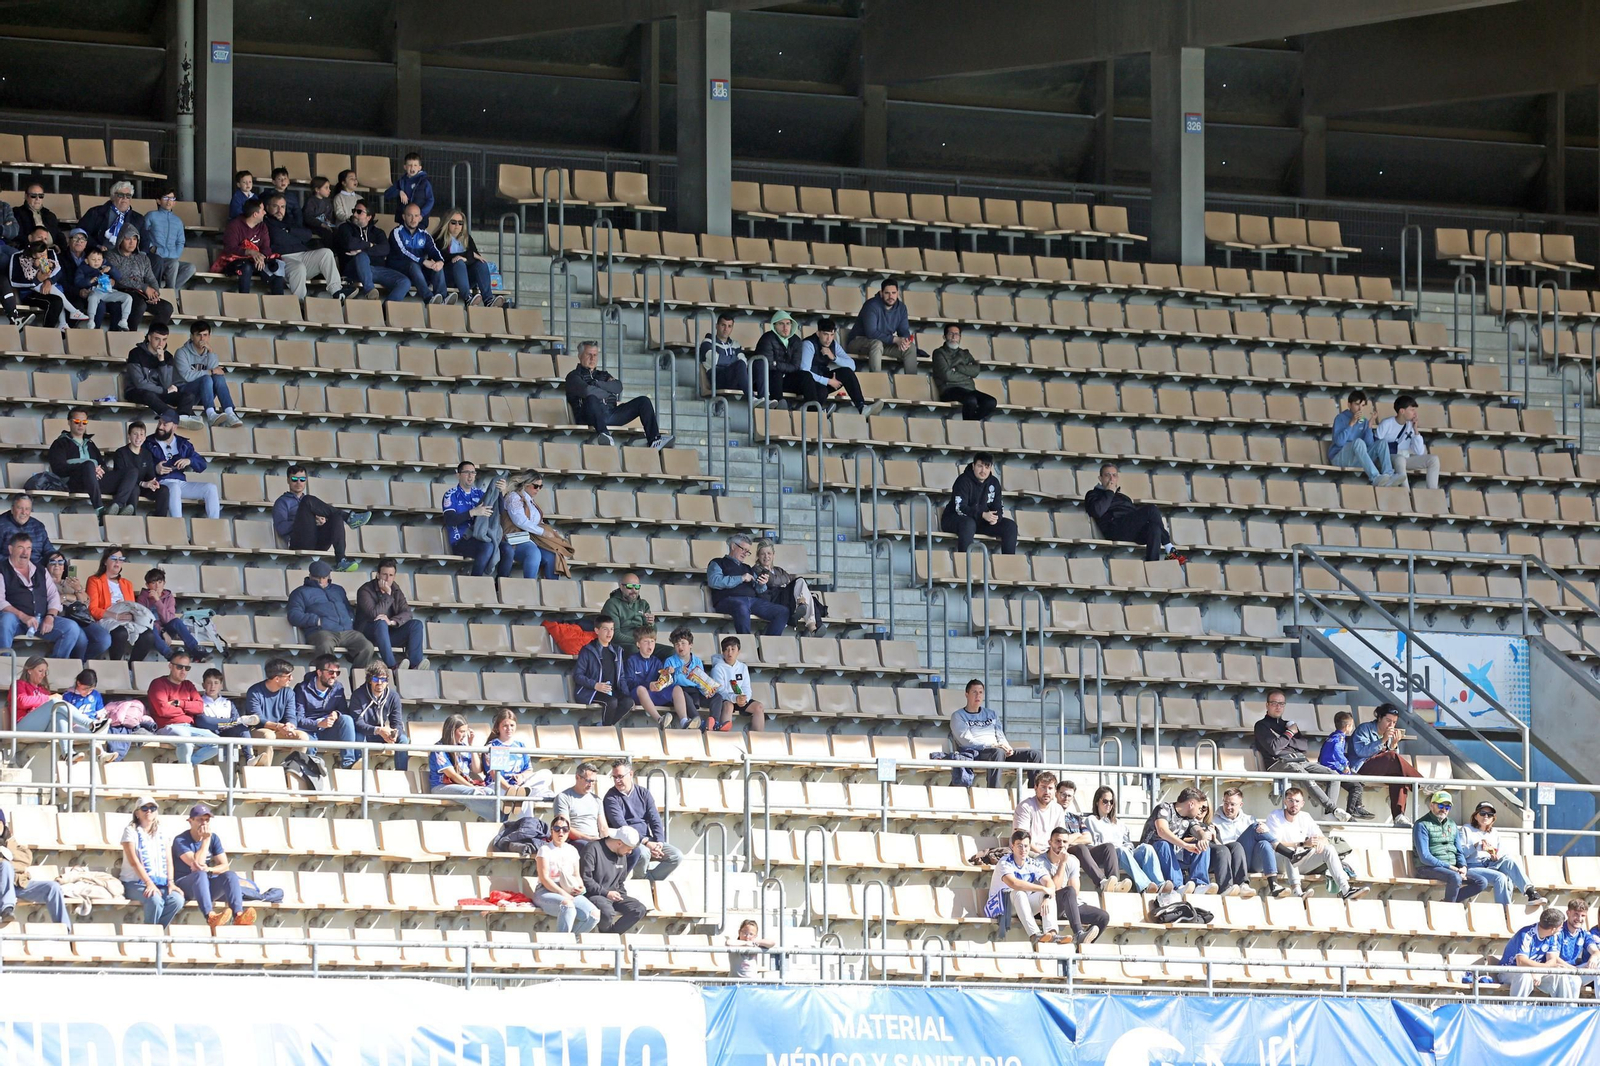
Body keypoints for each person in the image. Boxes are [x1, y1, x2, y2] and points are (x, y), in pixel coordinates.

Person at [1252, 690, 1351, 821]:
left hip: (1300, 760)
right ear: (1267, 705)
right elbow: (1274, 748)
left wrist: (1286, 738)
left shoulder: (1288, 725)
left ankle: (1328, 814)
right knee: (1303, 774)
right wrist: (1289, 734)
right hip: (1279, 762)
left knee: (1333, 775)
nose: (1278, 707)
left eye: (1281, 704)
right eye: (1274, 703)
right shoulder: (1261, 725)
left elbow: (1304, 746)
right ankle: (1334, 809)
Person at [564, 340, 672, 448]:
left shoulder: (603, 375)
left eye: (595, 355)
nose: (592, 358)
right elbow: (587, 391)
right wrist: (607, 391)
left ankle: (654, 440)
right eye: (589, 354)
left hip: (611, 413)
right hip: (588, 416)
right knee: (591, 398)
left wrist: (597, 383)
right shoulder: (573, 376)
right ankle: (604, 434)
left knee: (644, 401)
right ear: (580, 355)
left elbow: (618, 387)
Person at [1267, 787, 1366, 900]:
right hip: (1279, 862)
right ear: (1285, 801)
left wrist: (1320, 842)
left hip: (1301, 861)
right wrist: (1303, 844)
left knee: (1329, 849)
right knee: (1290, 853)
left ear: (1302, 803)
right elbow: (1275, 844)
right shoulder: (1275, 816)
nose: (1294, 804)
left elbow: (1322, 838)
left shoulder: (1305, 817)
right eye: (1290, 800)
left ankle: (1346, 890)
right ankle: (1298, 893)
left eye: (1297, 801)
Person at [0, 533, 88, 660]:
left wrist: (50, 616)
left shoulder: (41, 570)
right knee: (6, 620)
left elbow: (53, 596)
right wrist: (23, 616)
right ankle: (4, 663)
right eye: (20, 547)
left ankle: (56, 665)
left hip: (40, 619)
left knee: (71, 627)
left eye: (28, 548)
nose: (25, 552)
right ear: (10, 549)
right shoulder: (2, 569)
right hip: (16, 620)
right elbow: (1, 601)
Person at [171, 804, 256, 930]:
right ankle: (210, 916)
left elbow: (225, 866)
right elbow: (197, 865)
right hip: (185, 885)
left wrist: (210, 870)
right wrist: (205, 841)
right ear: (190, 821)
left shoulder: (214, 838)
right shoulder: (181, 840)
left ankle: (238, 915)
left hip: (205, 884)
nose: (204, 823)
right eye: (200, 819)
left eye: (207, 820)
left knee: (230, 875)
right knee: (200, 874)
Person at [272, 464, 370, 572]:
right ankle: (348, 517)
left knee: (336, 517)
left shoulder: (312, 503)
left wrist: (322, 521)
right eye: (294, 479)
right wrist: (302, 522)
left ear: (306, 480)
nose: (298, 482)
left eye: (302, 479)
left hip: (318, 541)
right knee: (307, 500)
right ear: (288, 480)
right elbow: (281, 528)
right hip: (299, 542)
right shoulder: (282, 501)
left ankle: (341, 560)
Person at [949, 679, 1042, 788]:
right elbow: (966, 741)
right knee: (997, 752)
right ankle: (994, 792)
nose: (978, 695)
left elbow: (999, 734)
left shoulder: (991, 714)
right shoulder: (958, 716)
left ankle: (1035, 793)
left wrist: (1006, 746)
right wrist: (992, 746)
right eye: (974, 692)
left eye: (980, 692)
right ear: (967, 694)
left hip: (998, 751)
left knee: (1035, 755)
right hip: (977, 752)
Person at [1083, 462, 1182, 563]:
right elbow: (1097, 512)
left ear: (1117, 478)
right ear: (1100, 478)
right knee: (1151, 509)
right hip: (1114, 528)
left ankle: (1153, 564)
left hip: (1130, 528)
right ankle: (1170, 549)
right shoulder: (1093, 494)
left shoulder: (1124, 497)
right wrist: (1109, 492)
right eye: (1107, 475)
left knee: (1155, 528)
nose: (1111, 478)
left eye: (1114, 475)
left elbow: (1133, 514)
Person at [286, 559, 378, 666]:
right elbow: (294, 615)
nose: (320, 581)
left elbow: (348, 609)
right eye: (317, 578)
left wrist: (349, 620)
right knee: (325, 644)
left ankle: (356, 675)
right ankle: (326, 673)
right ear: (310, 576)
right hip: (321, 631)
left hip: (346, 631)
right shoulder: (300, 592)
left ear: (328, 576)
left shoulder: (338, 590)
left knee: (367, 646)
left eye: (324, 578)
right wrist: (317, 621)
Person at [604, 760, 683, 880]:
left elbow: (655, 819)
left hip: (647, 840)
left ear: (631, 774)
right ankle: (641, 882)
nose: (617, 781)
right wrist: (646, 842)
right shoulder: (611, 797)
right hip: (624, 840)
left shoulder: (644, 793)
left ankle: (647, 881)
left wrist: (659, 843)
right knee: (643, 853)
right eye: (614, 777)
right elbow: (622, 826)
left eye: (620, 776)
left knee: (676, 856)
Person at [1348, 704, 1424, 827]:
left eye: (1394, 722)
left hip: (1380, 767)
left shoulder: (1388, 734)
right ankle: (1421, 783)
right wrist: (1382, 740)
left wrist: (1393, 745)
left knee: (1399, 775)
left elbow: (1392, 759)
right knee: (1392, 757)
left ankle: (1399, 816)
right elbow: (1361, 752)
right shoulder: (1364, 728)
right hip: (1361, 767)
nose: (1391, 725)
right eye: (1388, 721)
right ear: (1379, 718)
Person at [1457, 801, 1546, 906]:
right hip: (1472, 867)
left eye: (1489, 814)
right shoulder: (1466, 829)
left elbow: (1500, 853)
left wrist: (1494, 856)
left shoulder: (1494, 833)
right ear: (1476, 816)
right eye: (1482, 813)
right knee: (1501, 877)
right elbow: (1460, 853)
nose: (1486, 816)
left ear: (1493, 818)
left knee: (1508, 861)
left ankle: (1530, 892)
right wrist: (1475, 846)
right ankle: (1505, 911)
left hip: (1490, 864)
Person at [262, 192, 345, 300]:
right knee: (298, 267)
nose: (279, 210)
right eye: (275, 206)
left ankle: (336, 292)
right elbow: (277, 238)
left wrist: (288, 230)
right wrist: (294, 235)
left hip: (302, 256)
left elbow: (307, 235)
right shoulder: (265, 222)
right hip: (282, 259)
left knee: (326, 253)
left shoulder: (291, 220)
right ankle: (299, 302)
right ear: (267, 207)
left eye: (282, 207)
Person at [118, 796, 184, 928]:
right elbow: (134, 862)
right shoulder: (130, 831)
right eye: (144, 808)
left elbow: (168, 860)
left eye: (152, 808)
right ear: (137, 813)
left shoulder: (163, 832)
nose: (149, 811)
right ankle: (151, 933)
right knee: (155, 899)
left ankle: (157, 932)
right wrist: (149, 883)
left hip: (160, 883)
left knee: (177, 900)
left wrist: (171, 883)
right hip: (134, 882)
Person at [0, 807, 70, 928]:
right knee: (5, 866)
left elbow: (26, 860)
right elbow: (15, 864)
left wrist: (6, 857)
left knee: (53, 887)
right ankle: (7, 909)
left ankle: (65, 930)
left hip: (19, 884)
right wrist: (7, 862)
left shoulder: (11, 842)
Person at [148, 650, 221, 765]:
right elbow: (163, 710)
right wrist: (188, 711)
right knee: (185, 739)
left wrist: (180, 704)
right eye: (179, 667)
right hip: (168, 727)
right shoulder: (158, 684)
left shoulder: (188, 685)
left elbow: (199, 707)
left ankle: (184, 765)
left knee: (218, 743)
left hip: (189, 727)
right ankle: (186, 770)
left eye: (187, 668)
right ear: (170, 666)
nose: (183, 671)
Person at [1086, 785, 1164, 893]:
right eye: (1105, 801)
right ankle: (1145, 886)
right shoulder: (1091, 820)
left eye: (1111, 802)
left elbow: (1128, 843)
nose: (1109, 804)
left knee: (1147, 848)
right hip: (1110, 856)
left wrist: (1128, 849)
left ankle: (1160, 885)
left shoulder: (1119, 823)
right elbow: (1094, 843)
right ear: (1097, 802)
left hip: (1125, 854)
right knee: (1121, 850)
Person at [1211, 787, 1287, 898]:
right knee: (1252, 830)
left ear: (1241, 805)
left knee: (1264, 843)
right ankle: (1288, 852)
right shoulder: (1214, 820)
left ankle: (1274, 885)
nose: (1228, 807)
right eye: (1226, 803)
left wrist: (1266, 830)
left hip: (1249, 860)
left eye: (1232, 804)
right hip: (1229, 861)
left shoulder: (1249, 819)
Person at [707, 533, 789, 635]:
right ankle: (746, 641)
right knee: (741, 606)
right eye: (743, 549)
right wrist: (741, 578)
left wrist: (762, 584)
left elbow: (759, 589)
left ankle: (768, 643)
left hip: (752, 601)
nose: (745, 553)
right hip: (728, 600)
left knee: (782, 611)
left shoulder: (747, 568)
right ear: (733, 546)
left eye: (747, 551)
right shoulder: (717, 562)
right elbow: (714, 581)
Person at [124, 322, 203, 426]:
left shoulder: (168, 357)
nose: (161, 343)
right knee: (149, 394)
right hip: (136, 391)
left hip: (160, 393)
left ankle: (183, 416)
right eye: (157, 339)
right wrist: (164, 391)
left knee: (188, 396)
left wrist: (162, 362)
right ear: (149, 337)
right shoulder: (135, 353)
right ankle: (172, 416)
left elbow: (166, 384)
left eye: (164, 339)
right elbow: (140, 384)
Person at [145, 411, 220, 520]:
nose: (160, 427)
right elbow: (140, 465)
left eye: (165, 424)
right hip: (160, 483)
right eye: (159, 423)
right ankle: (178, 524)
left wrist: (190, 460)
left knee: (211, 488)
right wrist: (155, 469)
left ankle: (215, 525)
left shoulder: (183, 443)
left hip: (181, 482)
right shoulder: (148, 442)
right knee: (174, 487)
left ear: (174, 427)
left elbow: (202, 464)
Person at [442, 461, 512, 577]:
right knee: (487, 546)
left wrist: (500, 493)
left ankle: (499, 585)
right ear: (458, 475)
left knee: (508, 549)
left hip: (482, 537)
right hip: (460, 540)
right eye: (466, 472)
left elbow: (499, 512)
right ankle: (475, 581)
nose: (470, 476)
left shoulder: (480, 493)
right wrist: (473, 512)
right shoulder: (451, 494)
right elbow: (450, 520)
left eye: (473, 472)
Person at [85, 546, 155, 661]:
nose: (117, 562)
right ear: (105, 561)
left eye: (121, 559)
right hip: (106, 618)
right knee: (121, 632)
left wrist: (130, 615)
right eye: (114, 559)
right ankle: (116, 665)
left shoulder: (127, 584)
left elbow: (132, 606)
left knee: (149, 635)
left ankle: (131, 667)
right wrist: (116, 616)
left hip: (126, 619)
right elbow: (93, 609)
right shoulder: (94, 580)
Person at [533, 814, 600, 933]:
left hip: (569, 890)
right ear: (551, 831)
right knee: (567, 905)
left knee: (594, 915)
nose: (561, 832)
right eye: (557, 829)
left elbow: (576, 875)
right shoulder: (545, 850)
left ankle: (572, 940)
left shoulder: (572, 850)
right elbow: (544, 878)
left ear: (568, 832)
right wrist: (563, 893)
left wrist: (581, 887)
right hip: (546, 891)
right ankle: (563, 941)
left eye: (565, 829)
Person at [990, 829, 1058, 945]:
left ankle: (1051, 934)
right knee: (1019, 892)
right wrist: (1042, 888)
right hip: (1002, 906)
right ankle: (1034, 935)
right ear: (1012, 846)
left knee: (1047, 894)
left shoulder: (1032, 862)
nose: (1023, 849)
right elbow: (1014, 883)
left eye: (1026, 846)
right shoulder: (1004, 862)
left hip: (1022, 905)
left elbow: (1049, 882)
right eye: (1019, 846)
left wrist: (1046, 896)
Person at [1044, 826, 1110, 945]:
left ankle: (1082, 946)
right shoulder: (1040, 862)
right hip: (1050, 905)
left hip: (1069, 904)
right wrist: (1062, 863)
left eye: (1065, 842)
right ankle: (1079, 934)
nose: (1061, 845)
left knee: (1103, 917)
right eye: (1057, 841)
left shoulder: (1073, 860)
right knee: (1068, 891)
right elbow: (1052, 889)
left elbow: (1075, 891)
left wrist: (1065, 862)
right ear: (1050, 842)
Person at [294, 654, 361, 771]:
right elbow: (298, 719)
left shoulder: (338, 687)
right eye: (330, 672)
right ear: (319, 672)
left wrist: (337, 714)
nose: (334, 676)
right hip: (309, 730)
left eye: (337, 673)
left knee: (347, 719)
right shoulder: (302, 689)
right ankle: (310, 771)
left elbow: (344, 711)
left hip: (328, 730)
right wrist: (318, 724)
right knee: (309, 745)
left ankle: (348, 763)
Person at [942, 452, 1018, 556]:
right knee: (968, 524)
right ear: (973, 466)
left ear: (990, 468)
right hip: (954, 519)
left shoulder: (994, 482)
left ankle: (1008, 563)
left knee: (1010, 526)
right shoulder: (963, 480)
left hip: (980, 522)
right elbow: (960, 508)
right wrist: (982, 514)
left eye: (987, 467)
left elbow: (998, 507)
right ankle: (965, 563)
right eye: (980, 466)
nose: (983, 470)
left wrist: (995, 518)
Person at [355, 559, 425, 670]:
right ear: (378, 575)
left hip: (388, 634)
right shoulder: (365, 590)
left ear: (394, 576)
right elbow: (374, 614)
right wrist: (387, 594)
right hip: (368, 636)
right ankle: (392, 666)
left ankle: (415, 665)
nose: (388, 579)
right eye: (384, 574)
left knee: (416, 624)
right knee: (381, 622)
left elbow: (407, 612)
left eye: (391, 575)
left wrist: (392, 622)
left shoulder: (396, 589)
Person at [793, 317, 873, 415]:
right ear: (818, 333)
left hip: (822, 377)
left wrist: (834, 358)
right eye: (825, 334)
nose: (828, 339)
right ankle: (818, 414)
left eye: (831, 335)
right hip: (807, 383)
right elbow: (805, 372)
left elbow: (852, 366)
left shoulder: (833, 344)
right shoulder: (808, 344)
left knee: (846, 372)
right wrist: (828, 381)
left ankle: (861, 407)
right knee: (821, 390)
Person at [1140, 787, 1213, 894]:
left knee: (1202, 846)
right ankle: (1177, 885)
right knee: (1164, 844)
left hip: (1174, 857)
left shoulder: (1189, 818)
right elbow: (1162, 831)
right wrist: (1185, 845)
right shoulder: (1164, 808)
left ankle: (1199, 884)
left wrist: (1202, 838)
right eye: (1200, 807)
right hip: (1152, 855)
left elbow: (1198, 830)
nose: (1199, 812)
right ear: (1191, 804)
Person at [333, 202, 410, 301]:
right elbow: (350, 243)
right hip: (353, 269)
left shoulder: (378, 232)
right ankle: (370, 290)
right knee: (361, 256)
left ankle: (386, 308)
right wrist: (370, 245)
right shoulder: (345, 228)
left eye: (359, 212)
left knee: (404, 282)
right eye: (354, 211)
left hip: (376, 270)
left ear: (369, 217)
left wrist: (362, 249)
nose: (354, 214)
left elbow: (385, 249)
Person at [173, 319, 243, 428]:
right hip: (185, 393)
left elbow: (215, 372)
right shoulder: (181, 352)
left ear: (209, 336)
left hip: (205, 394)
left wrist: (210, 352)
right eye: (198, 335)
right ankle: (211, 414)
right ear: (192, 336)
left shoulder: (210, 353)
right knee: (206, 378)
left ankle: (230, 413)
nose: (202, 339)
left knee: (218, 377)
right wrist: (210, 371)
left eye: (205, 335)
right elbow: (187, 376)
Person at [428, 713, 499, 820]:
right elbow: (452, 775)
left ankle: (498, 816)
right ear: (451, 731)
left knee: (490, 791)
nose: (465, 735)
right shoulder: (439, 748)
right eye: (461, 731)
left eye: (465, 731)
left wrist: (471, 746)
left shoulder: (463, 747)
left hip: (462, 785)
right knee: (474, 792)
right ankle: (499, 819)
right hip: (441, 786)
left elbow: (477, 769)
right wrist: (472, 787)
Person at [1055, 778, 1121, 891]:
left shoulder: (1075, 818)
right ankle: (1102, 882)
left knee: (1109, 847)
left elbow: (1088, 838)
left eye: (1069, 796)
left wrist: (1070, 839)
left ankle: (1114, 884)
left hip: (1083, 853)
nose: (1066, 798)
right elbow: (1058, 839)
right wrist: (1076, 835)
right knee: (1081, 847)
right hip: (1064, 852)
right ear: (1056, 794)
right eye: (1063, 794)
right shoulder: (1051, 815)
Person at [580, 828, 649, 933]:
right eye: (629, 849)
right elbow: (586, 879)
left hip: (613, 894)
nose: (630, 852)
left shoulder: (621, 853)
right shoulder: (592, 849)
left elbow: (620, 881)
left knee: (639, 909)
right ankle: (609, 937)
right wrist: (606, 893)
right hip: (594, 894)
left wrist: (622, 896)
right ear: (619, 843)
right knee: (607, 912)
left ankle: (611, 935)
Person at [1502, 908, 1580, 1000]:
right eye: (1560, 927)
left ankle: (1564, 1008)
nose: (1561, 929)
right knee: (1525, 976)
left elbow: (1552, 960)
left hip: (1537, 971)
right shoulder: (1526, 934)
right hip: (1511, 970)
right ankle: (1517, 1008)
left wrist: (1540, 972)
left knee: (1561, 976)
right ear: (1553, 929)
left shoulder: (1553, 936)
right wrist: (1541, 969)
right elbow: (1521, 962)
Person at [1330, 389, 1402, 487]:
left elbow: (1369, 444)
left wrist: (1369, 425)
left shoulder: (1363, 421)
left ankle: (1389, 475)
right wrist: (1351, 423)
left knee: (1382, 442)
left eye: (1363, 405)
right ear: (1349, 405)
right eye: (1357, 404)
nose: (1360, 408)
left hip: (1357, 458)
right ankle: (1375, 477)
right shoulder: (1340, 418)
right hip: (1339, 457)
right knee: (1358, 442)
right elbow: (1339, 442)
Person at [214, 197, 286, 295]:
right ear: (255, 214)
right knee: (246, 267)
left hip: (257, 262)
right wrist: (250, 252)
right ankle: (244, 300)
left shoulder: (262, 226)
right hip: (235, 262)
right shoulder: (234, 225)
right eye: (262, 210)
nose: (265, 212)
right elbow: (230, 248)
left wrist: (261, 257)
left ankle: (279, 301)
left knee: (275, 268)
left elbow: (266, 248)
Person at [5, 657, 95, 735]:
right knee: (55, 702)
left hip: (41, 725)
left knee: (60, 717)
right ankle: (89, 724)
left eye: (45, 672)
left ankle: (69, 750)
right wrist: (48, 698)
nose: (43, 675)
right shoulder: (19, 684)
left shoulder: (43, 689)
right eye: (40, 671)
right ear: (29, 670)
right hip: (22, 725)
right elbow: (21, 701)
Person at [104, 227, 172, 330]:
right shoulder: (111, 255)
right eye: (128, 239)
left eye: (135, 239)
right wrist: (144, 288)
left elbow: (150, 278)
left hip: (140, 293)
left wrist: (155, 294)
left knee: (166, 308)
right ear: (121, 240)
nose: (132, 242)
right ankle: (132, 334)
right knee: (139, 305)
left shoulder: (142, 258)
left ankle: (152, 337)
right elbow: (120, 278)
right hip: (121, 291)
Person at [244, 659, 308, 767]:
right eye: (288, 676)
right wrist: (278, 726)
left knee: (303, 737)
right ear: (277, 678)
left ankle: (291, 770)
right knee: (268, 735)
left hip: (279, 729)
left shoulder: (289, 692)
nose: (291, 679)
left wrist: (290, 726)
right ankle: (264, 770)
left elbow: (291, 715)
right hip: (256, 730)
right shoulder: (254, 691)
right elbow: (257, 719)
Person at [501, 470, 564, 580]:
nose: (538, 489)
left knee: (552, 556)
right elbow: (520, 521)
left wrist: (551, 532)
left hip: (531, 539)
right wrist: (543, 532)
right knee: (533, 553)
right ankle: (530, 585)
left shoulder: (531, 501)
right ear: (526, 484)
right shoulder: (514, 497)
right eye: (536, 486)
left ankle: (552, 588)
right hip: (515, 539)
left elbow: (536, 522)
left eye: (540, 486)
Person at [431, 208, 501, 306]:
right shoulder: (438, 238)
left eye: (460, 223)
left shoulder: (467, 238)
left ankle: (488, 299)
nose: (457, 226)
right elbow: (443, 257)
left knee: (481, 264)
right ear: (447, 223)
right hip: (448, 277)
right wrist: (467, 255)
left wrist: (466, 257)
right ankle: (467, 298)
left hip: (466, 278)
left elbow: (477, 257)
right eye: (453, 222)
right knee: (459, 263)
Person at [46, 407, 110, 512]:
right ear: (69, 422)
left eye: (84, 422)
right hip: (73, 483)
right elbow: (59, 469)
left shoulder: (91, 444)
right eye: (77, 421)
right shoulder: (60, 443)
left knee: (131, 472)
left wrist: (99, 470)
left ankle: (120, 507)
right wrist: (85, 468)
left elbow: (103, 465)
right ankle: (99, 508)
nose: (81, 425)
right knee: (89, 465)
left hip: (96, 482)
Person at [849, 278, 918, 373]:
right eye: (887, 293)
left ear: (898, 293)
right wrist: (896, 340)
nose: (891, 296)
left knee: (911, 348)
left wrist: (905, 341)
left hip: (884, 343)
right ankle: (876, 380)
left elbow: (904, 330)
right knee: (877, 344)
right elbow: (871, 333)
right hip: (858, 341)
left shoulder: (901, 308)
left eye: (893, 293)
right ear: (881, 293)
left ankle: (912, 381)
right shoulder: (871, 305)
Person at [930, 324, 997, 421]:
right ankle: (970, 425)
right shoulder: (939, 353)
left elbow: (976, 371)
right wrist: (967, 375)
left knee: (990, 402)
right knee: (971, 400)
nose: (954, 337)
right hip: (949, 389)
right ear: (944, 337)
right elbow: (947, 375)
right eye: (951, 334)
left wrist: (958, 368)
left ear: (960, 337)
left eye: (957, 334)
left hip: (969, 389)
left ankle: (971, 423)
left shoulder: (965, 353)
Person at [574, 617, 633, 725]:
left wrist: (626, 695)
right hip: (591, 691)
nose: (609, 633)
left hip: (611, 691)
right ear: (597, 631)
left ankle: (603, 726)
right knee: (612, 702)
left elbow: (621, 677)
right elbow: (578, 676)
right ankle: (606, 729)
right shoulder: (587, 650)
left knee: (628, 702)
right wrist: (595, 685)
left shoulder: (617, 650)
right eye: (605, 629)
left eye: (612, 629)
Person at [1316, 710, 1375, 820]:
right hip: (1335, 769)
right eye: (1351, 725)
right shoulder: (1339, 738)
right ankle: (1352, 811)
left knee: (1360, 780)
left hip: (1328, 767)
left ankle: (1357, 806)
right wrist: (1344, 765)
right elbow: (1337, 752)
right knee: (1356, 786)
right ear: (1347, 726)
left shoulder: (1331, 736)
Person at [1375, 393, 1441, 491]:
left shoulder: (1410, 425)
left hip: (1405, 458)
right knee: (1400, 459)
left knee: (1433, 459)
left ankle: (1432, 492)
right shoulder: (1387, 423)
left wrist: (1416, 430)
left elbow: (1419, 452)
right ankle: (1406, 492)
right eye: (1412, 410)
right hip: (1386, 459)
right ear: (1402, 411)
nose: (1415, 413)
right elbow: (1376, 445)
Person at [349, 663, 407, 769]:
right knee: (358, 736)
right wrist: (378, 730)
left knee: (403, 739)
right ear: (370, 680)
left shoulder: (393, 696)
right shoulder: (358, 695)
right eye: (376, 679)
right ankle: (357, 770)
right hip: (365, 733)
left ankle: (402, 774)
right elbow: (357, 722)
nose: (379, 683)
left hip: (382, 734)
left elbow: (397, 722)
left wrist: (394, 733)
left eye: (383, 679)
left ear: (387, 681)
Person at [9, 238, 75, 327]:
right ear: (31, 237)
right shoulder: (19, 256)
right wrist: (37, 280)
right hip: (29, 293)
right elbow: (14, 281)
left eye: (45, 238)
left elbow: (58, 271)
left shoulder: (49, 253)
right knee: (56, 301)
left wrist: (49, 280)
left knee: (61, 297)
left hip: (47, 288)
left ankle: (66, 321)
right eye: (40, 237)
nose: (43, 240)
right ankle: (48, 330)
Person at [388, 202, 446, 303]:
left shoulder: (424, 234)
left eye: (416, 216)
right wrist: (423, 261)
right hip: (400, 270)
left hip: (418, 272)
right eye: (410, 215)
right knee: (413, 265)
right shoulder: (396, 232)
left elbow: (433, 250)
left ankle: (442, 298)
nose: (413, 219)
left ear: (420, 218)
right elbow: (403, 252)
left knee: (436, 266)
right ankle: (428, 298)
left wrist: (440, 261)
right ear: (404, 217)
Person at [103, 419, 161, 516]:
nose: (138, 437)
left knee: (164, 490)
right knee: (134, 487)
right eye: (135, 434)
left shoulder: (147, 454)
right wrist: (142, 483)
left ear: (145, 437)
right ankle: (129, 514)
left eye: (141, 434)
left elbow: (150, 476)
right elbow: (121, 477)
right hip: (125, 487)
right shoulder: (120, 453)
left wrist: (153, 483)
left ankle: (160, 518)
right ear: (129, 436)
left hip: (143, 487)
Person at [710, 635, 767, 731]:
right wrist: (734, 698)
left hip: (740, 699)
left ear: (738, 651)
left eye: (733, 649)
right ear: (723, 652)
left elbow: (746, 687)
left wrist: (745, 699)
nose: (730, 653)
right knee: (729, 706)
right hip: (725, 699)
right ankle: (724, 736)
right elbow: (720, 691)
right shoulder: (717, 668)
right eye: (726, 650)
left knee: (759, 707)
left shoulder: (743, 667)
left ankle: (757, 737)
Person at [199, 667, 254, 765]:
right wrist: (229, 722)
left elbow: (237, 721)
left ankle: (250, 758)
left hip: (226, 732)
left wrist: (228, 723)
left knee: (242, 728)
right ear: (203, 685)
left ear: (221, 685)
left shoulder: (228, 703)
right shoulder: (198, 702)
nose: (212, 686)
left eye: (216, 683)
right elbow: (205, 722)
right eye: (209, 683)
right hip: (208, 734)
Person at [485, 707, 536, 807]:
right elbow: (494, 774)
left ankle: (520, 792)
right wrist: (509, 789)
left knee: (546, 774)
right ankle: (517, 794)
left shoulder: (520, 745)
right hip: (500, 786)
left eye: (512, 725)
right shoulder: (493, 745)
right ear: (498, 727)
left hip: (519, 785)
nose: (509, 729)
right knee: (526, 799)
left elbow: (529, 770)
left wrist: (521, 776)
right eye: (505, 726)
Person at [553, 762, 611, 850]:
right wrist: (589, 839)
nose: (591, 785)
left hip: (594, 841)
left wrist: (608, 843)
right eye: (588, 781)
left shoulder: (597, 800)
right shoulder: (564, 797)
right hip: (575, 841)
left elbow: (603, 828)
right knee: (589, 847)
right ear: (577, 777)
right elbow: (564, 828)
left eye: (593, 781)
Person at [144, 189, 194, 290]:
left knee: (190, 268)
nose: (169, 201)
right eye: (165, 198)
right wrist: (152, 248)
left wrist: (176, 254)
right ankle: (170, 291)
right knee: (174, 264)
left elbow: (180, 242)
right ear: (158, 201)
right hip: (155, 258)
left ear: (174, 202)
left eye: (172, 199)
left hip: (171, 258)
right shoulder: (151, 215)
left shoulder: (178, 221)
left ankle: (169, 290)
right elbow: (142, 234)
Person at [79, 183, 146, 257]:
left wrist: (141, 257)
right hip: (100, 255)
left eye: (128, 196)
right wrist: (97, 246)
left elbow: (145, 240)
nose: (124, 198)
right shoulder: (96, 212)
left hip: (127, 256)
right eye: (121, 195)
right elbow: (81, 232)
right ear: (113, 196)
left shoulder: (138, 218)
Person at [753, 310, 804, 407]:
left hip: (786, 379)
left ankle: (813, 408)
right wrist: (783, 367)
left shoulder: (796, 340)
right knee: (776, 373)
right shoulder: (767, 338)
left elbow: (796, 366)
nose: (785, 327)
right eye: (781, 324)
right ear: (774, 325)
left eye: (788, 323)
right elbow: (767, 365)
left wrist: (777, 364)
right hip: (766, 380)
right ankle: (779, 404)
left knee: (805, 376)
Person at [75, 244, 133, 329]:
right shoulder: (83, 268)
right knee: (92, 297)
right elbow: (77, 282)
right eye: (93, 259)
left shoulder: (106, 265)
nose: (96, 262)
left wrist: (111, 269)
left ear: (102, 260)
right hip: (96, 291)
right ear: (87, 260)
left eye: (99, 259)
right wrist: (89, 281)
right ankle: (91, 320)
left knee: (128, 297)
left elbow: (118, 276)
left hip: (109, 292)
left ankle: (124, 320)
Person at [626, 627, 675, 727]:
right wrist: (648, 685)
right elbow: (629, 682)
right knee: (641, 689)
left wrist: (668, 673)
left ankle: (684, 720)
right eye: (646, 641)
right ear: (638, 644)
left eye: (652, 641)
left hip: (653, 695)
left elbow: (662, 681)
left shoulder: (656, 661)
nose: (650, 645)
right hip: (638, 695)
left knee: (677, 689)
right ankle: (660, 719)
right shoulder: (632, 660)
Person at [700, 310, 755, 398]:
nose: (726, 329)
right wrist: (734, 358)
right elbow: (716, 360)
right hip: (717, 379)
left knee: (758, 365)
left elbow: (744, 361)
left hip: (732, 378)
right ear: (717, 326)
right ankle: (752, 398)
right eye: (723, 325)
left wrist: (726, 360)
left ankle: (764, 398)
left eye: (729, 326)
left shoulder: (735, 344)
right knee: (739, 364)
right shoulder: (707, 342)